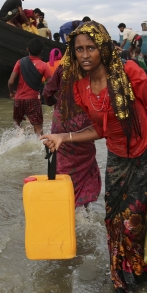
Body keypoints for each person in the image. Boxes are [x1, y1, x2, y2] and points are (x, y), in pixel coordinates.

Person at [40, 21, 147, 293]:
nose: (85, 54)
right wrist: (62, 138)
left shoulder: (130, 72)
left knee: (132, 218)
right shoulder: (81, 87)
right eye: (79, 49)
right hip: (117, 155)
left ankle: (136, 269)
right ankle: (120, 273)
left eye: (90, 47)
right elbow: (99, 131)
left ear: (102, 47)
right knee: (112, 218)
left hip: (145, 152)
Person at [42, 57, 101, 208]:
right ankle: (83, 208)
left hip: (62, 118)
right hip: (85, 120)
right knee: (85, 162)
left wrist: (55, 102)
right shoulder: (95, 66)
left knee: (61, 161)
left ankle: (63, 207)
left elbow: (48, 92)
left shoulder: (63, 66)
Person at [8, 38, 52, 135]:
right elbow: (51, 83)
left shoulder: (20, 62)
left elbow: (11, 82)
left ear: (28, 49)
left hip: (19, 99)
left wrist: (12, 92)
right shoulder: (44, 65)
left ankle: (20, 131)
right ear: (41, 51)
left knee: (16, 122)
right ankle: (40, 147)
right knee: (38, 129)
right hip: (33, 100)